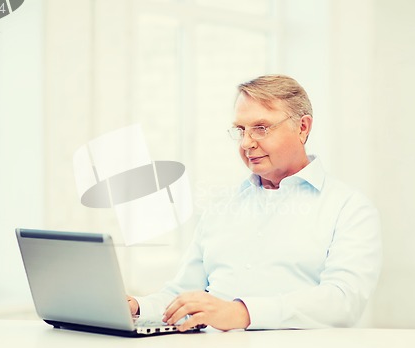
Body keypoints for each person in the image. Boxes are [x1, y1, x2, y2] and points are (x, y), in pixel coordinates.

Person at [128, 74, 382, 332]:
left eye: (261, 128)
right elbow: (185, 294)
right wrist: (138, 307)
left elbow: (343, 301)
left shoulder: (349, 209)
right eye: (241, 130)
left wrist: (244, 313)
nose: (247, 143)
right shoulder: (221, 207)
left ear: (303, 128)